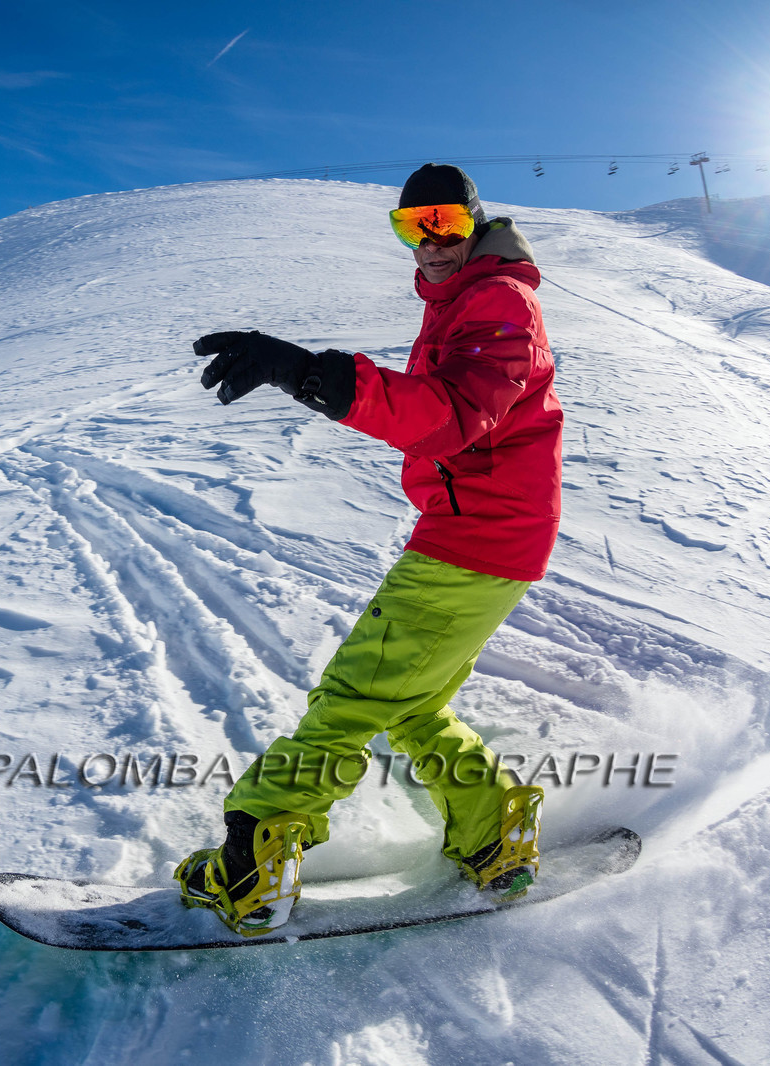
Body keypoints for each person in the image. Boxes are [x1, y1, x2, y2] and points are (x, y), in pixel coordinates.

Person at [175, 164, 563, 936]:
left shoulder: (497, 300)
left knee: (351, 700)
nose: (431, 243)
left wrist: (305, 371)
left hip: (477, 535)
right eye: (412, 226)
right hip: (488, 530)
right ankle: (493, 830)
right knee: (412, 702)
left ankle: (255, 860)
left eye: (446, 223)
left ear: (476, 222)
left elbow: (451, 414)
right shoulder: (465, 300)